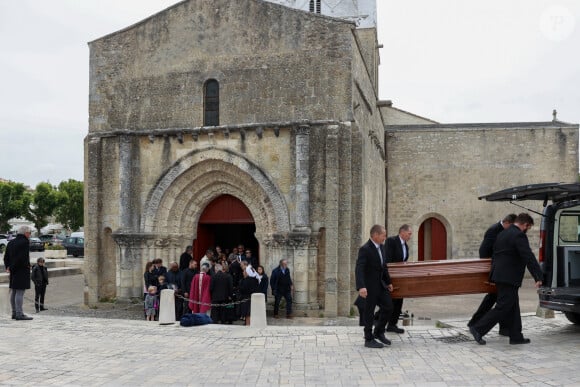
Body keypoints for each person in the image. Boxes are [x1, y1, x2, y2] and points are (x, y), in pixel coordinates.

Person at [469, 213, 543, 345]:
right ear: (525, 224)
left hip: (499, 275)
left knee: (513, 306)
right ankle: (478, 328)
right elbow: (528, 256)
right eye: (528, 227)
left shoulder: (503, 234)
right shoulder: (519, 235)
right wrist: (538, 276)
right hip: (509, 277)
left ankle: (516, 336)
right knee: (503, 306)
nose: (527, 230)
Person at [468, 213, 517, 332]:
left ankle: (504, 328)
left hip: (500, 270)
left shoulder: (503, 230)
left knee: (501, 299)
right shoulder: (494, 230)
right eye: (512, 226)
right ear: (507, 223)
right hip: (495, 270)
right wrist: (492, 266)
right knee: (495, 298)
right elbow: (484, 251)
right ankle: (475, 323)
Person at [355, 224, 394, 348]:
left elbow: (384, 267)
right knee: (369, 313)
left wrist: (388, 282)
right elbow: (359, 269)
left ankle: (378, 332)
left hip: (381, 286)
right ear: (375, 235)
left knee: (388, 307)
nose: (385, 237)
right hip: (369, 288)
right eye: (383, 235)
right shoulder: (365, 249)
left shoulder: (382, 247)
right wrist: (361, 286)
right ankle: (368, 339)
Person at [385, 224, 412, 334]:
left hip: (400, 277)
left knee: (399, 301)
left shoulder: (405, 245)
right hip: (391, 276)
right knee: (389, 303)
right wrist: (388, 279)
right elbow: (388, 260)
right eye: (409, 233)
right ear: (402, 232)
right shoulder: (391, 241)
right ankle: (378, 322)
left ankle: (392, 324)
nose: (410, 236)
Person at [3, 226, 33, 320]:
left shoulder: (11, 242)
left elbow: (6, 257)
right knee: (20, 292)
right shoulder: (25, 242)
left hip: (13, 270)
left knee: (14, 291)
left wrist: (8, 267)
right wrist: (27, 265)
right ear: (25, 233)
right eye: (29, 233)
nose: (30, 235)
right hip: (21, 270)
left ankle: (14, 313)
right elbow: (22, 257)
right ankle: (19, 314)